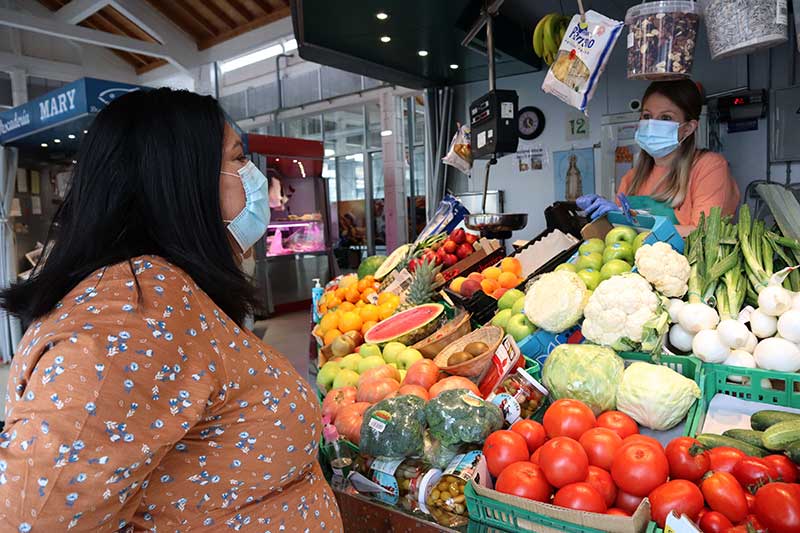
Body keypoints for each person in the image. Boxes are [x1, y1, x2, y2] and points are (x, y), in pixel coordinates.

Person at [0, 88, 343, 532]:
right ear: (181, 180)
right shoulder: (132, 316)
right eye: (239, 159)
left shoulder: (163, 292)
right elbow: (34, 518)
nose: (254, 177)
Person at [578, 79, 740, 235]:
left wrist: (633, 225)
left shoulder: (709, 167)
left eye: (666, 118)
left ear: (688, 128)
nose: (652, 125)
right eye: (647, 116)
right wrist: (606, 219)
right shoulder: (631, 178)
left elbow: (703, 234)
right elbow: (619, 236)